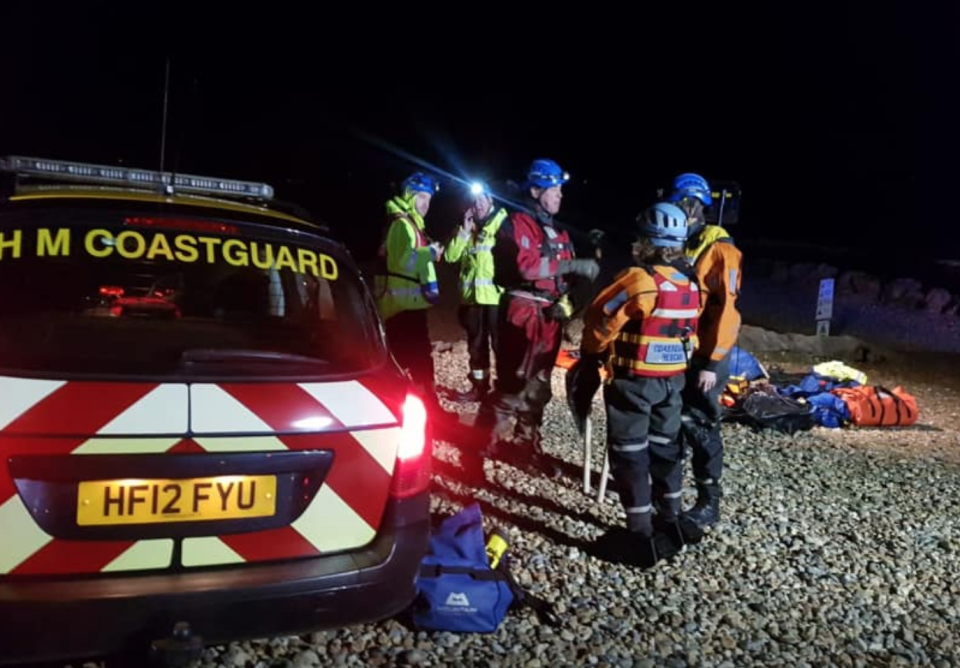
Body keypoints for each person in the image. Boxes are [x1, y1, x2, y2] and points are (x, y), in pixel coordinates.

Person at [580, 202, 700, 567]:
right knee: (667, 451)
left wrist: (591, 354)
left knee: (630, 456)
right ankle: (673, 519)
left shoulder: (640, 280)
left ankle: (639, 535)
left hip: (634, 382)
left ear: (647, 240)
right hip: (672, 384)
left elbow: (601, 318)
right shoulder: (689, 282)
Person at [486, 158, 599, 467]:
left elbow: (565, 276)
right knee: (513, 383)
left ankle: (526, 444)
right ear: (535, 190)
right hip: (522, 310)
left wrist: (570, 296)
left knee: (539, 383)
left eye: (561, 190)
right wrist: (574, 265)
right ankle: (484, 446)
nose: (560, 195)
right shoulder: (518, 223)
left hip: (548, 315)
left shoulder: (557, 231)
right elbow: (526, 266)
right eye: (553, 190)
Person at [669, 173, 743, 529]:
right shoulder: (684, 243)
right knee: (674, 421)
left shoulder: (720, 249)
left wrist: (712, 362)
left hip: (706, 355)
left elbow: (726, 311)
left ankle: (708, 503)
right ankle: (670, 490)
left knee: (700, 424)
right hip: (683, 350)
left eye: (682, 203)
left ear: (694, 206)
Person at [374, 172, 444, 405]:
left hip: (410, 303)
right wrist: (431, 252)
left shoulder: (411, 223)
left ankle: (424, 404)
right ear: (409, 195)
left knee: (415, 358)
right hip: (401, 305)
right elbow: (403, 262)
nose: (426, 204)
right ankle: (423, 406)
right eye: (422, 197)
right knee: (411, 358)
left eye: (429, 199)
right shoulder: (403, 225)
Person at [444, 181, 508, 401]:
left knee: (502, 347)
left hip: (496, 299)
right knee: (476, 347)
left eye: (482, 199)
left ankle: (505, 391)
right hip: (472, 300)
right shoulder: (466, 228)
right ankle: (479, 388)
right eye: (474, 200)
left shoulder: (502, 224)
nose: (478, 204)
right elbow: (450, 257)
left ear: (491, 201)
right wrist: (463, 230)